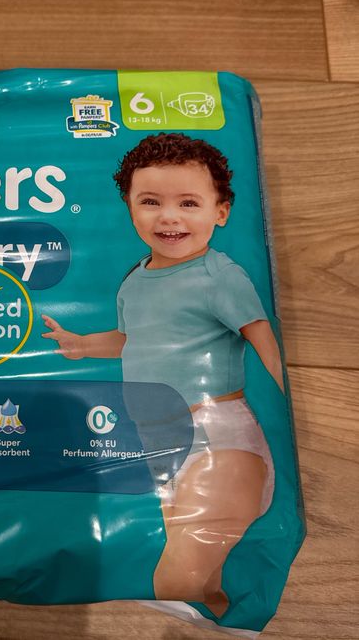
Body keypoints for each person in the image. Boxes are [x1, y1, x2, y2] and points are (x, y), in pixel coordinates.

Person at [42, 133, 284, 617]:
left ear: (221, 212)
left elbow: (264, 339)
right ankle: (228, 617)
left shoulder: (218, 276)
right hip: (162, 449)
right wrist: (82, 345)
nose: (169, 217)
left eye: (188, 203)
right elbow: (135, 339)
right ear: (130, 207)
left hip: (218, 441)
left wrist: (290, 409)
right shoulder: (135, 279)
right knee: (200, 582)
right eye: (151, 202)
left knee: (176, 579)